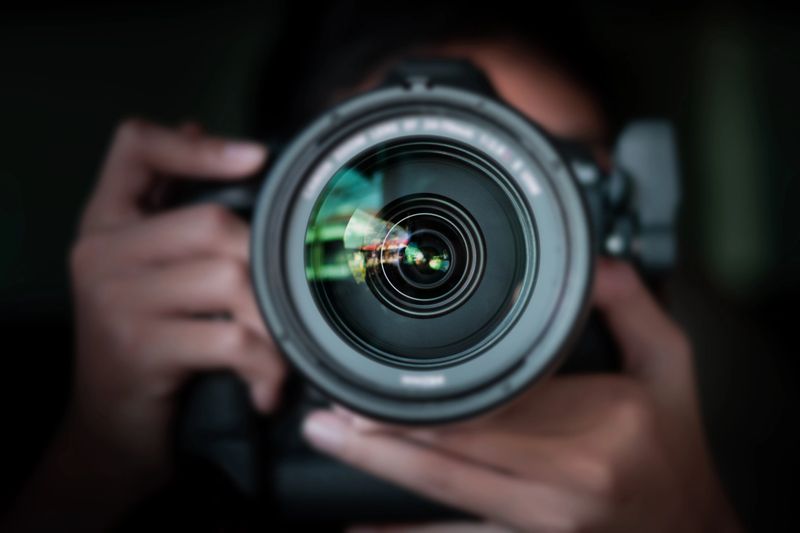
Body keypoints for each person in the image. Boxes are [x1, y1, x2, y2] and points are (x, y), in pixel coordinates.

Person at [4, 13, 742, 533]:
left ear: (627, 223)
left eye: (546, 186)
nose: (497, 238)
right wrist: (95, 467)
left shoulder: (730, 450)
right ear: (268, 224)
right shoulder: (198, 457)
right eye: (378, 191)